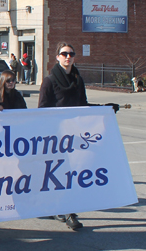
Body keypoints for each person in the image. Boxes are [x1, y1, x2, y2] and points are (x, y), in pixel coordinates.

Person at [38, 41, 118, 230]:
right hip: (57, 136)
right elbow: (41, 110)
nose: (68, 57)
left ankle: (62, 208)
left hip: (76, 134)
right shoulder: (49, 81)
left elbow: (83, 105)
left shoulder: (78, 80)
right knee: (61, 172)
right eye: (64, 54)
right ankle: (68, 212)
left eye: (71, 54)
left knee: (73, 172)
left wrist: (104, 109)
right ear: (57, 57)